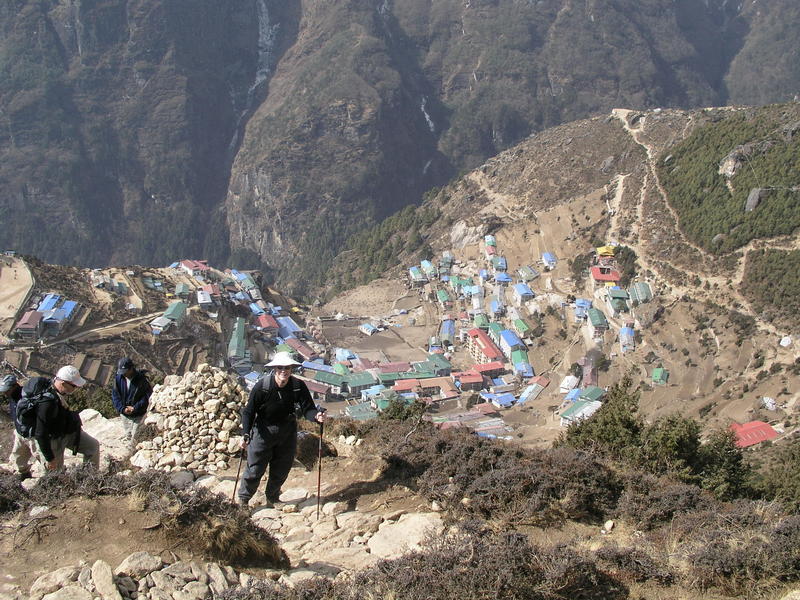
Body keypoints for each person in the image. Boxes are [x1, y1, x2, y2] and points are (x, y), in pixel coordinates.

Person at [237, 352, 325, 507]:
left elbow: (308, 409)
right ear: (275, 368)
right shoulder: (262, 387)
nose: (284, 370)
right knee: (255, 468)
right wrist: (245, 434)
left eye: (287, 367)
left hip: (287, 431)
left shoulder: (298, 386)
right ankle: (243, 500)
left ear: (291, 369)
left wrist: (316, 416)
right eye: (280, 367)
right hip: (263, 431)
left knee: (282, 467)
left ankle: (272, 497)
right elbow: (249, 412)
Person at [29, 365, 99, 470]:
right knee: (55, 474)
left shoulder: (59, 393)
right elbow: (40, 433)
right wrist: (49, 458)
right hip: (52, 441)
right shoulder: (47, 403)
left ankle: (89, 477)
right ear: (63, 383)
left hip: (66, 433)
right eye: (74, 386)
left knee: (92, 446)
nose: (76, 389)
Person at [111, 357, 152, 449]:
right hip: (125, 414)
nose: (124, 374)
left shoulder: (142, 380)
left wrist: (135, 408)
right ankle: (129, 449)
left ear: (131, 368)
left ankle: (131, 456)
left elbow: (147, 397)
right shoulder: (118, 378)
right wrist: (122, 409)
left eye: (125, 371)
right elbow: (115, 395)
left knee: (135, 436)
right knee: (128, 434)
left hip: (138, 414)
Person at [1, 374, 36, 480]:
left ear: (14, 386)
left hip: (32, 434)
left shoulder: (26, 396)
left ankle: (50, 477)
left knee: (40, 456)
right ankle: (24, 476)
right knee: (18, 459)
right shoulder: (12, 396)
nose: (5, 393)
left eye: (7, 390)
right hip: (20, 432)